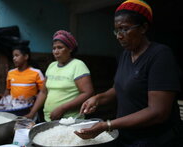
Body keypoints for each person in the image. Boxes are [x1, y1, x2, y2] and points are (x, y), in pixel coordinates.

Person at [74, 0, 183, 147]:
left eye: (124, 29)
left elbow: (158, 112)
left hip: (155, 139)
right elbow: (119, 88)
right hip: (127, 135)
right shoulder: (125, 55)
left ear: (143, 28)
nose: (119, 35)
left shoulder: (160, 55)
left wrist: (107, 125)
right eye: (116, 30)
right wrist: (98, 98)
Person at [25, 30, 94, 121]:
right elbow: (43, 92)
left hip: (70, 120)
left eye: (60, 47)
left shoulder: (78, 65)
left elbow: (88, 93)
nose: (56, 52)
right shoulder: (52, 66)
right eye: (54, 48)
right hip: (49, 119)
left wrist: (63, 108)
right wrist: (32, 113)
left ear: (70, 49)